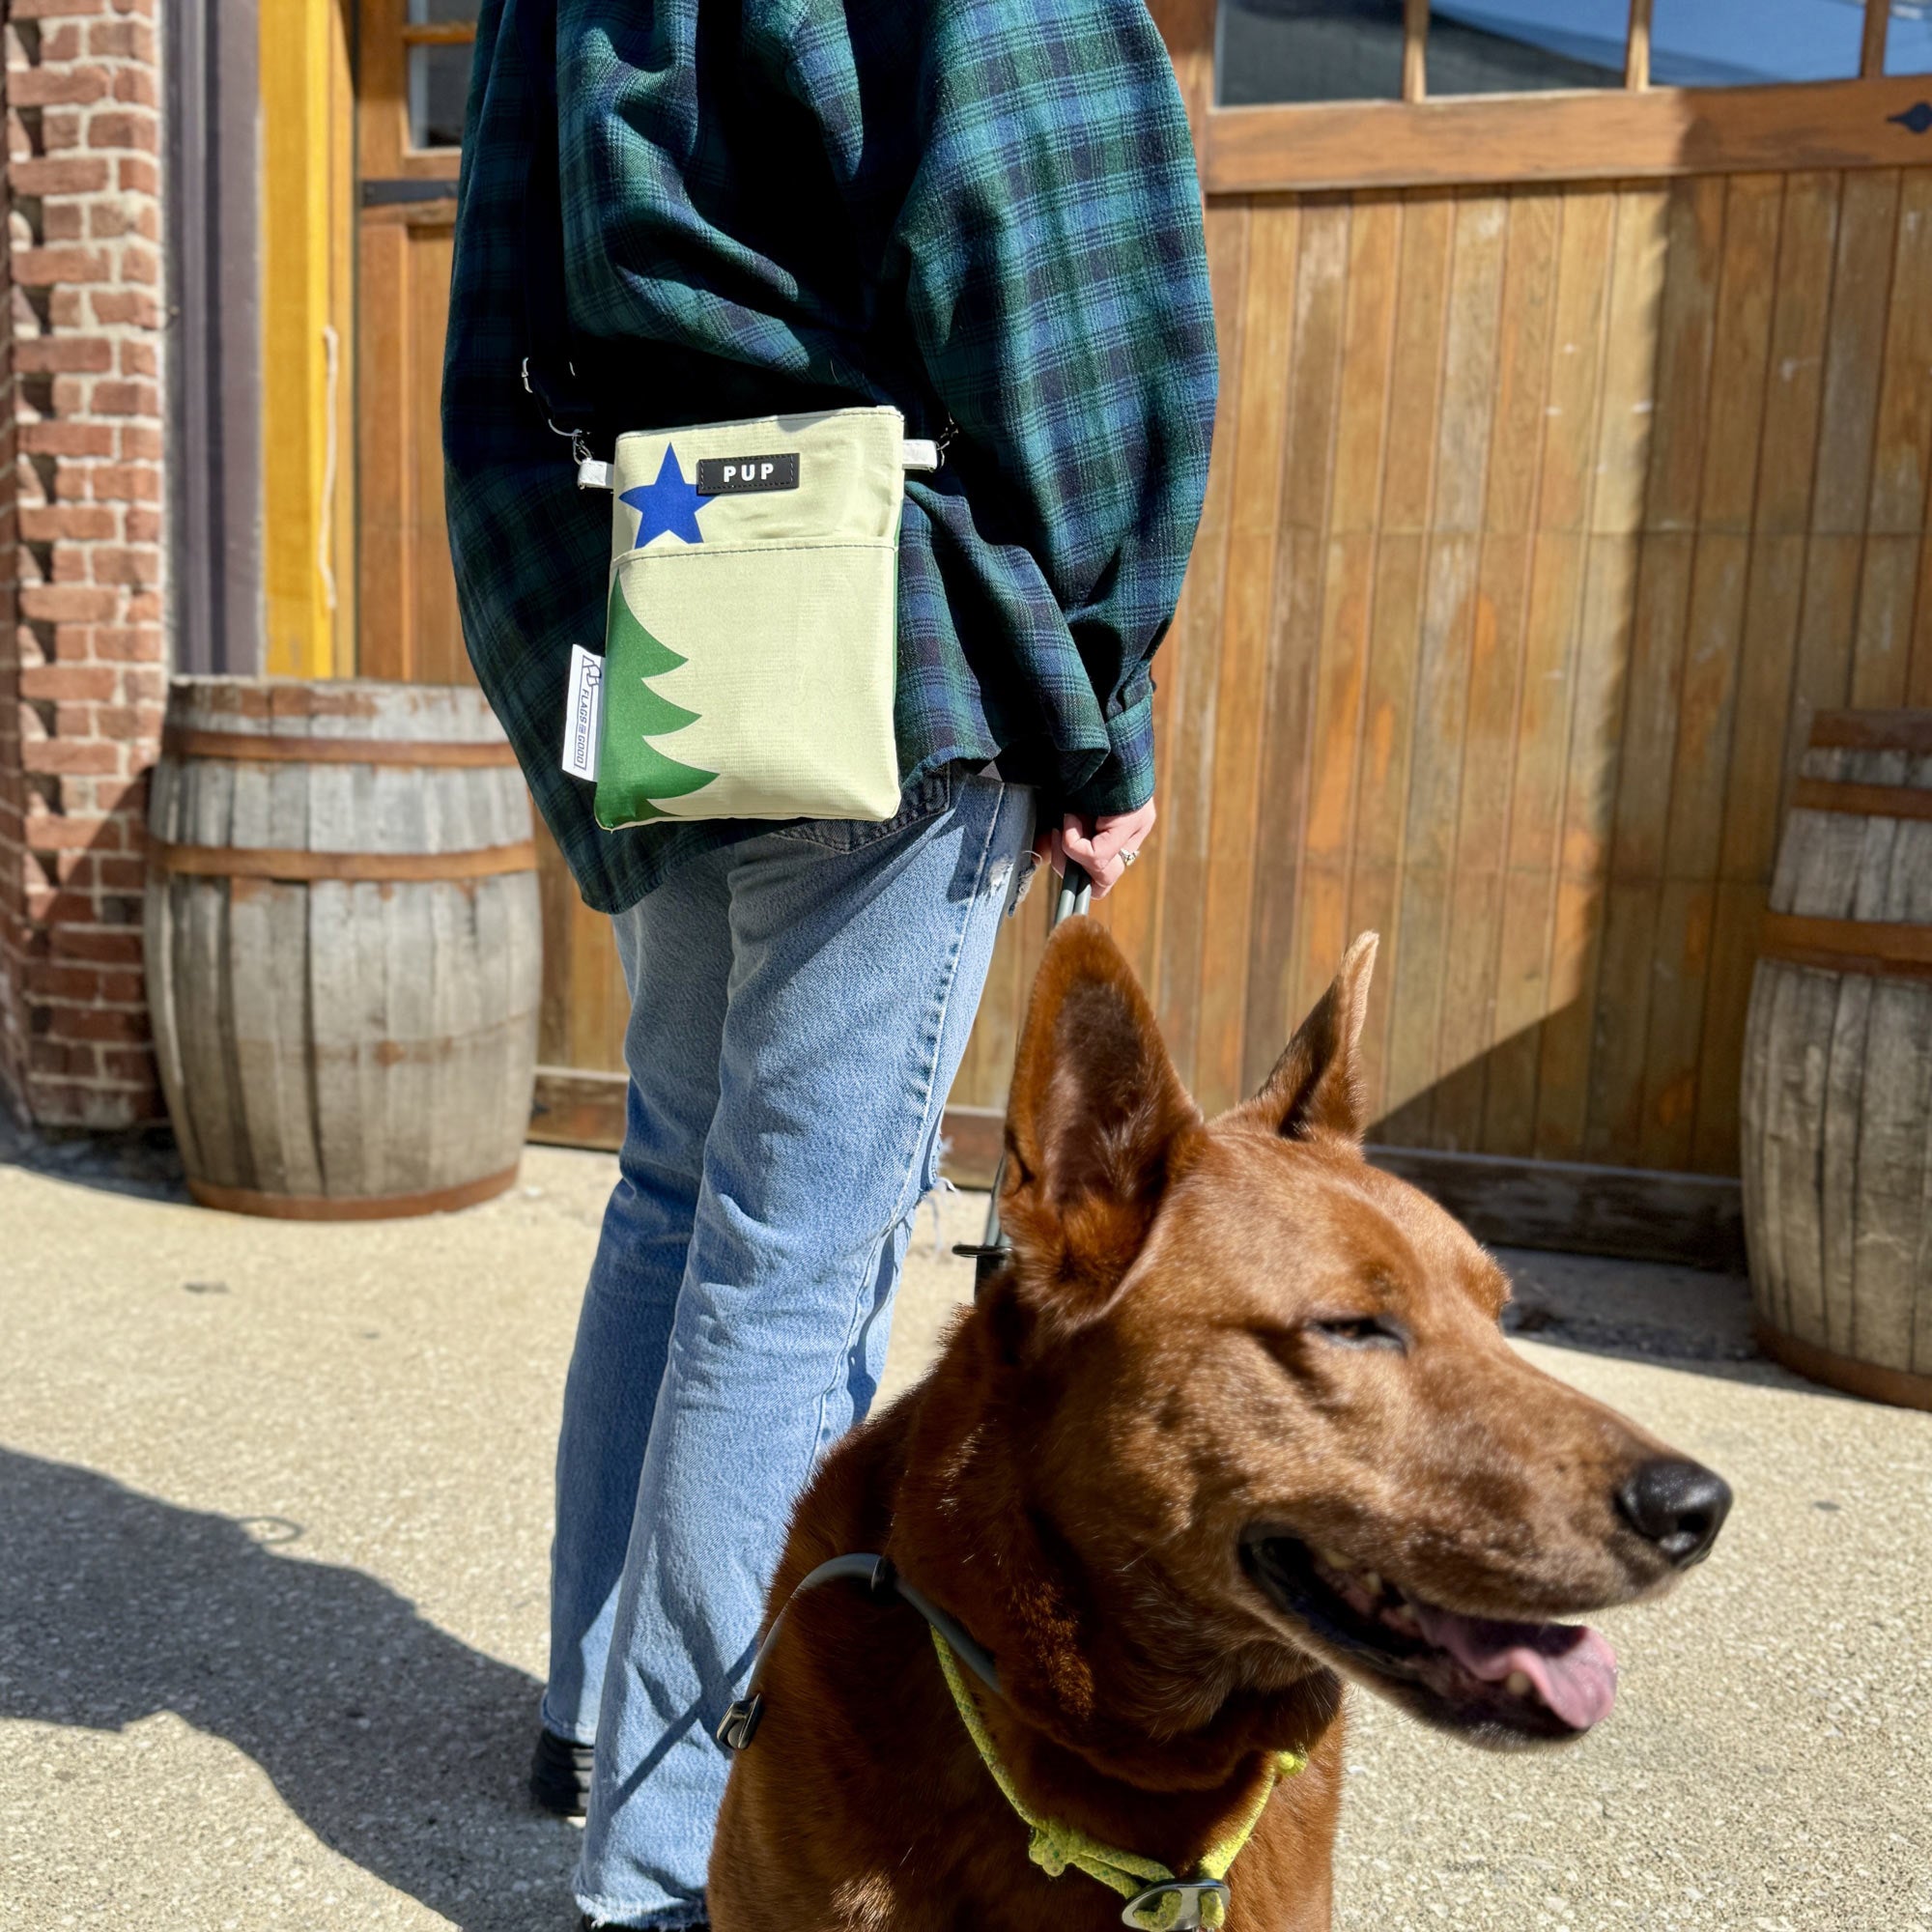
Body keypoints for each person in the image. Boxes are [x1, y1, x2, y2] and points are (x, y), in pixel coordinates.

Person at [440, 1, 1216, 1924]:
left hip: (678, 582)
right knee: (790, 1263)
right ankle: (671, 1865)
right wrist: (1099, 699)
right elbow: (1059, 245)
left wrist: (562, 642)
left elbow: (502, 325)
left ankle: (597, 1721)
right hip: (886, 618)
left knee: (677, 1198)